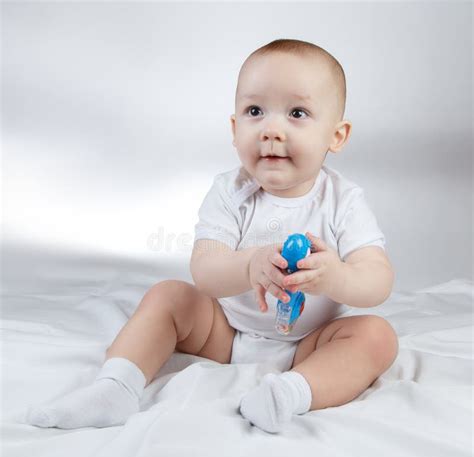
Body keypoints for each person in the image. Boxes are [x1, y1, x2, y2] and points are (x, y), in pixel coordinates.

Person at [24, 38, 398, 434]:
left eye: (297, 113)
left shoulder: (344, 201)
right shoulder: (229, 191)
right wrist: (249, 264)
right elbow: (205, 269)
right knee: (169, 295)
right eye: (255, 111)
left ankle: (290, 393)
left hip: (310, 343)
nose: (272, 129)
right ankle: (115, 387)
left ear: (336, 136)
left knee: (377, 337)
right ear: (235, 129)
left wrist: (336, 276)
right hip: (226, 332)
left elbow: (377, 279)